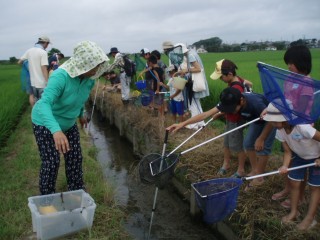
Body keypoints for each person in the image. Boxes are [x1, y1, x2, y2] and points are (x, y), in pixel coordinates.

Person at [31, 40, 109, 195]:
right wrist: (56, 131)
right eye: (95, 65)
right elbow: (43, 104)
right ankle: (47, 198)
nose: (98, 69)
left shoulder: (89, 80)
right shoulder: (60, 76)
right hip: (45, 123)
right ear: (84, 64)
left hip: (68, 123)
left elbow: (80, 99)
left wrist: (81, 114)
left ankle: (76, 192)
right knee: (52, 162)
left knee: (75, 158)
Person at [167, 87, 276, 190]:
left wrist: (261, 138)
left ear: (242, 101)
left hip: (270, 120)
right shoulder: (229, 100)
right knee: (248, 144)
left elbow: (272, 119)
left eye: (232, 109)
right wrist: (182, 124)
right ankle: (254, 170)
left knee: (262, 148)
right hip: (257, 120)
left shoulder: (256, 103)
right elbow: (205, 114)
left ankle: (259, 178)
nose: (231, 111)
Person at [263, 103, 320, 230]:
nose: (272, 124)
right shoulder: (280, 131)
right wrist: (284, 165)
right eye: (271, 121)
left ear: (285, 118)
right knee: (294, 183)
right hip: (300, 156)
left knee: (314, 187)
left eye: (275, 121)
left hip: (316, 157)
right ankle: (294, 212)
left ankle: (310, 218)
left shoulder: (303, 127)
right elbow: (288, 151)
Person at [270, 45, 313, 209]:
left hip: (299, 127)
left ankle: (300, 196)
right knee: (287, 158)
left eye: (291, 63)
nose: (288, 66)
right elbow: (284, 99)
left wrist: (288, 117)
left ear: (302, 62)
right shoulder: (289, 78)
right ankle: (288, 189)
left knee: (299, 163)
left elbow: (301, 109)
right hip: (285, 125)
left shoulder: (307, 83)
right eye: (287, 63)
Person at [210, 59, 253, 177]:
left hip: (236, 119)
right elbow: (250, 83)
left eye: (221, 77)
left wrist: (220, 112)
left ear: (229, 74)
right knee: (227, 142)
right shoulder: (237, 80)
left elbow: (235, 108)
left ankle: (241, 170)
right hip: (230, 117)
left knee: (237, 145)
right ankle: (226, 163)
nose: (221, 79)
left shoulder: (236, 88)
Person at [173, 43, 209, 130]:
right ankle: (200, 123)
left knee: (194, 104)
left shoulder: (190, 55)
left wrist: (186, 70)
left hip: (195, 83)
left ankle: (198, 123)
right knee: (195, 103)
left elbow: (198, 68)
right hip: (193, 82)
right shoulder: (190, 54)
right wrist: (180, 72)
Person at [18, 36, 51, 106]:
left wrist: (28, 67)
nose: (47, 46)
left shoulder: (29, 51)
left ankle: (35, 115)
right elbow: (44, 68)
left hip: (33, 83)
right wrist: (48, 82)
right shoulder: (43, 52)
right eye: (47, 44)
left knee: (36, 101)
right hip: (42, 83)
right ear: (45, 43)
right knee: (43, 103)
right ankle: (41, 116)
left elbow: (19, 62)